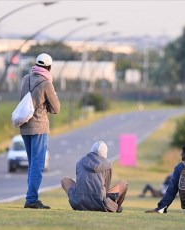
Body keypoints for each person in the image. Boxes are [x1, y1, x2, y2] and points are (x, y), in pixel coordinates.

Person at [20, 53, 60, 209]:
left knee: (32, 164)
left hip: (24, 126)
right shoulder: (46, 83)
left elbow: (24, 101)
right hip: (39, 127)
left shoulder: (25, 79)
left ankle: (31, 197)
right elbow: (56, 108)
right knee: (38, 164)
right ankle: (31, 199)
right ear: (49, 67)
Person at [61, 141, 128, 213]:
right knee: (124, 183)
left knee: (65, 180)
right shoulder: (107, 164)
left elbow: (79, 182)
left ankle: (81, 199)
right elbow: (106, 188)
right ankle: (116, 207)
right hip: (100, 205)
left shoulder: (80, 161)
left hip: (78, 203)